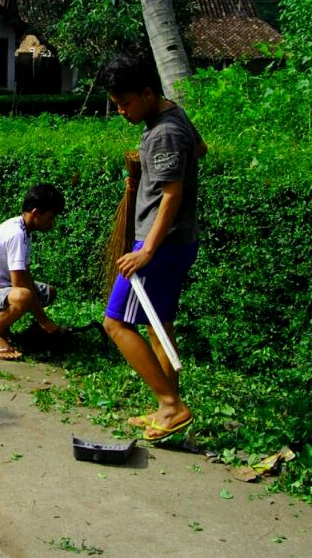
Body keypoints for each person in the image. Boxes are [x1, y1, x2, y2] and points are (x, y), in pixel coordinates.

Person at [99, 51, 206, 443]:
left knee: (116, 323)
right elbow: (200, 149)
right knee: (159, 328)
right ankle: (168, 406)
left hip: (158, 246)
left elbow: (172, 196)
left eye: (126, 104)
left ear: (147, 93)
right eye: (117, 105)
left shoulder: (164, 131)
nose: (122, 112)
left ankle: (171, 404)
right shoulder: (173, 114)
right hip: (176, 242)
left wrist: (145, 251)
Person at [0, 184, 65, 360]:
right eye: (50, 217)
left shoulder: (24, 231)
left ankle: (29, 329)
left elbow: (26, 276)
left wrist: (43, 320)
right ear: (36, 213)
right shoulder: (16, 235)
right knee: (23, 296)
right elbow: (20, 285)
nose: (52, 223)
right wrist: (45, 321)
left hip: (1, 291)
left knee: (49, 292)